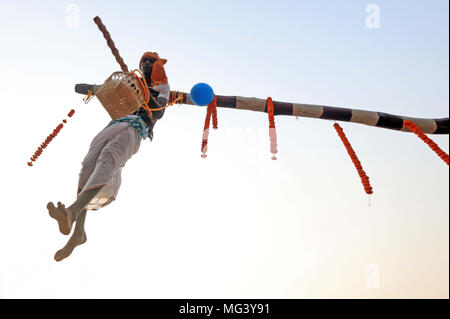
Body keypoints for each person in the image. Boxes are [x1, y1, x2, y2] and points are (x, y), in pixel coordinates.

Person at [47, 52, 170, 262]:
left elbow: (159, 112)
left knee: (108, 159)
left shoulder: (162, 86)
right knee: (87, 166)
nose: (148, 63)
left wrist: (146, 95)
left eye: (152, 61)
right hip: (115, 124)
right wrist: (95, 89)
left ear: (158, 65)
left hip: (136, 127)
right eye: (145, 61)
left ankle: (73, 211)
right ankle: (78, 233)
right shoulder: (133, 83)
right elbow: (80, 87)